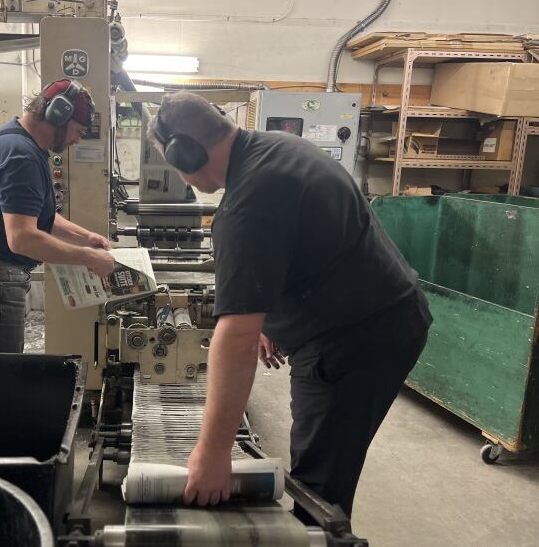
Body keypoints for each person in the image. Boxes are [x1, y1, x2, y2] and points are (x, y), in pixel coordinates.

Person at [146, 92, 432, 523]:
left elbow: (235, 337)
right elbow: (307, 248)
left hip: (357, 342)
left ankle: (321, 532)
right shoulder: (280, 147)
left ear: (184, 152)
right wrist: (270, 316)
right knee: (324, 464)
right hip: (387, 314)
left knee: (319, 486)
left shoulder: (246, 207)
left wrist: (212, 453)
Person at [0, 79, 115, 353]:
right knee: (0, 378)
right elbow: (22, 238)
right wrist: (88, 258)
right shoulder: (21, 156)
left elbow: (34, 216)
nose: (77, 140)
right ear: (58, 115)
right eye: (77, 130)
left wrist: (86, 238)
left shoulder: (15, 139)